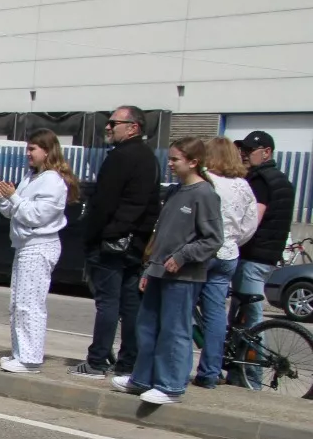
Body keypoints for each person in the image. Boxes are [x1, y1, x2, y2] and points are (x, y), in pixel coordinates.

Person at [112, 137, 222, 405]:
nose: (170, 164)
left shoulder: (205, 194)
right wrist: (150, 268)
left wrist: (183, 256)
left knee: (174, 330)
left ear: (194, 162)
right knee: (147, 326)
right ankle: (143, 378)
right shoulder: (175, 191)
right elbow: (161, 235)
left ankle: (170, 385)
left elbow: (213, 239)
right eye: (170, 158)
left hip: (182, 276)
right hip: (159, 272)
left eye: (176, 159)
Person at [71, 106, 161, 379]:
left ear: (132, 127)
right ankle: (128, 361)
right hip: (135, 244)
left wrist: (93, 236)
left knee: (108, 303)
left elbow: (105, 204)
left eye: (114, 123)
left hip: (114, 243)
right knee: (130, 304)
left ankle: (97, 361)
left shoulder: (122, 157)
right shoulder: (149, 158)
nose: (108, 128)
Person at [0, 130, 77, 374]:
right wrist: (2, 198)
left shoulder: (53, 181)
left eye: (33, 149)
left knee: (30, 303)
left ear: (47, 151)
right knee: (17, 302)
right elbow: (14, 212)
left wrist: (13, 197)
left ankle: (31, 358)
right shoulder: (31, 178)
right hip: (24, 245)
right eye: (28, 148)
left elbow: (37, 215)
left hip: (40, 245)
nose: (28, 153)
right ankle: (20, 353)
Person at [194, 136, 259, 388]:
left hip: (202, 252)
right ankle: (210, 372)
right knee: (216, 315)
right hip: (229, 252)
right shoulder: (243, 186)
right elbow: (249, 225)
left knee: (179, 305)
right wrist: (233, 241)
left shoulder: (206, 182)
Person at [231, 130, 296, 352]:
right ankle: (239, 370)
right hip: (267, 256)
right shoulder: (280, 179)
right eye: (243, 150)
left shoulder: (260, 180)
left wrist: (231, 241)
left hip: (253, 255)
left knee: (250, 317)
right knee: (245, 315)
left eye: (250, 150)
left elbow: (252, 221)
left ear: (266, 152)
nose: (244, 155)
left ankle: (252, 373)